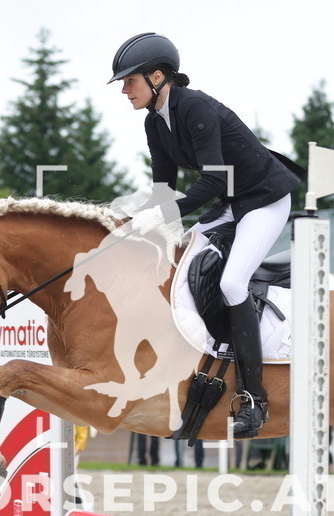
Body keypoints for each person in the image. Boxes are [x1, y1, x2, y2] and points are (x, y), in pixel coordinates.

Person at [109, 32, 303, 439]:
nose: (125, 90)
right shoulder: (154, 123)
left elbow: (214, 179)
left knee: (233, 282)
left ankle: (254, 397)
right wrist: (134, 222)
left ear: (158, 76)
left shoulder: (194, 106)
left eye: (131, 81)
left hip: (265, 200)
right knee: (179, 258)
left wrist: (161, 214)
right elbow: (164, 187)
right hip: (231, 204)